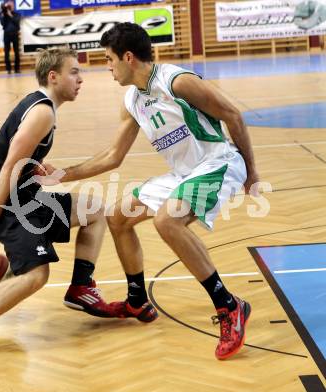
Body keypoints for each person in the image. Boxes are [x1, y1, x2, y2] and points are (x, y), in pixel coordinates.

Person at [38, 23, 260, 360]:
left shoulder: (177, 82)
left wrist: (251, 172)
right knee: (118, 216)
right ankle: (137, 299)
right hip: (183, 174)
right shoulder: (132, 99)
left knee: (167, 221)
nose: (108, 67)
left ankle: (229, 306)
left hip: (219, 162)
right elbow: (114, 156)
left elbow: (234, 115)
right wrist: (64, 174)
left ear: (129, 57)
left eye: (110, 59)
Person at [0, 48, 115, 362]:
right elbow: (8, 165)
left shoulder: (43, 107)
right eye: (74, 72)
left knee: (93, 208)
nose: (81, 79)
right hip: (11, 203)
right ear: (54, 76)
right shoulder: (42, 112)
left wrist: (37, 169)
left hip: (24, 197)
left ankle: (80, 288)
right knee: (36, 275)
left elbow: (19, 160)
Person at [0, 1, 21, 74]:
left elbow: (17, 22)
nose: (9, 7)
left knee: (17, 52)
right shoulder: (3, 15)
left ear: (13, 6)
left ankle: (17, 69)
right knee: (6, 52)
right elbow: (2, 23)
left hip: (15, 34)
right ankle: (8, 69)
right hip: (7, 35)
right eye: (8, 6)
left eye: (11, 5)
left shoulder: (17, 14)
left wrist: (10, 15)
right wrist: (4, 14)